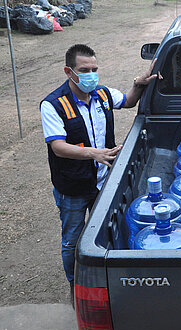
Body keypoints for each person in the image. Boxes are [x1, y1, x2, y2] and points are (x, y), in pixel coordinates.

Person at [40, 44, 161, 302]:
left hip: (103, 183)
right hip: (72, 186)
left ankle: (103, 283)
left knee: (104, 231)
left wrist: (140, 83)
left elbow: (127, 101)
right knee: (72, 239)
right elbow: (58, 147)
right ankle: (76, 287)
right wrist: (95, 153)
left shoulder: (102, 94)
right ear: (69, 71)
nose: (91, 75)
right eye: (84, 70)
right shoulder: (53, 104)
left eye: (94, 69)